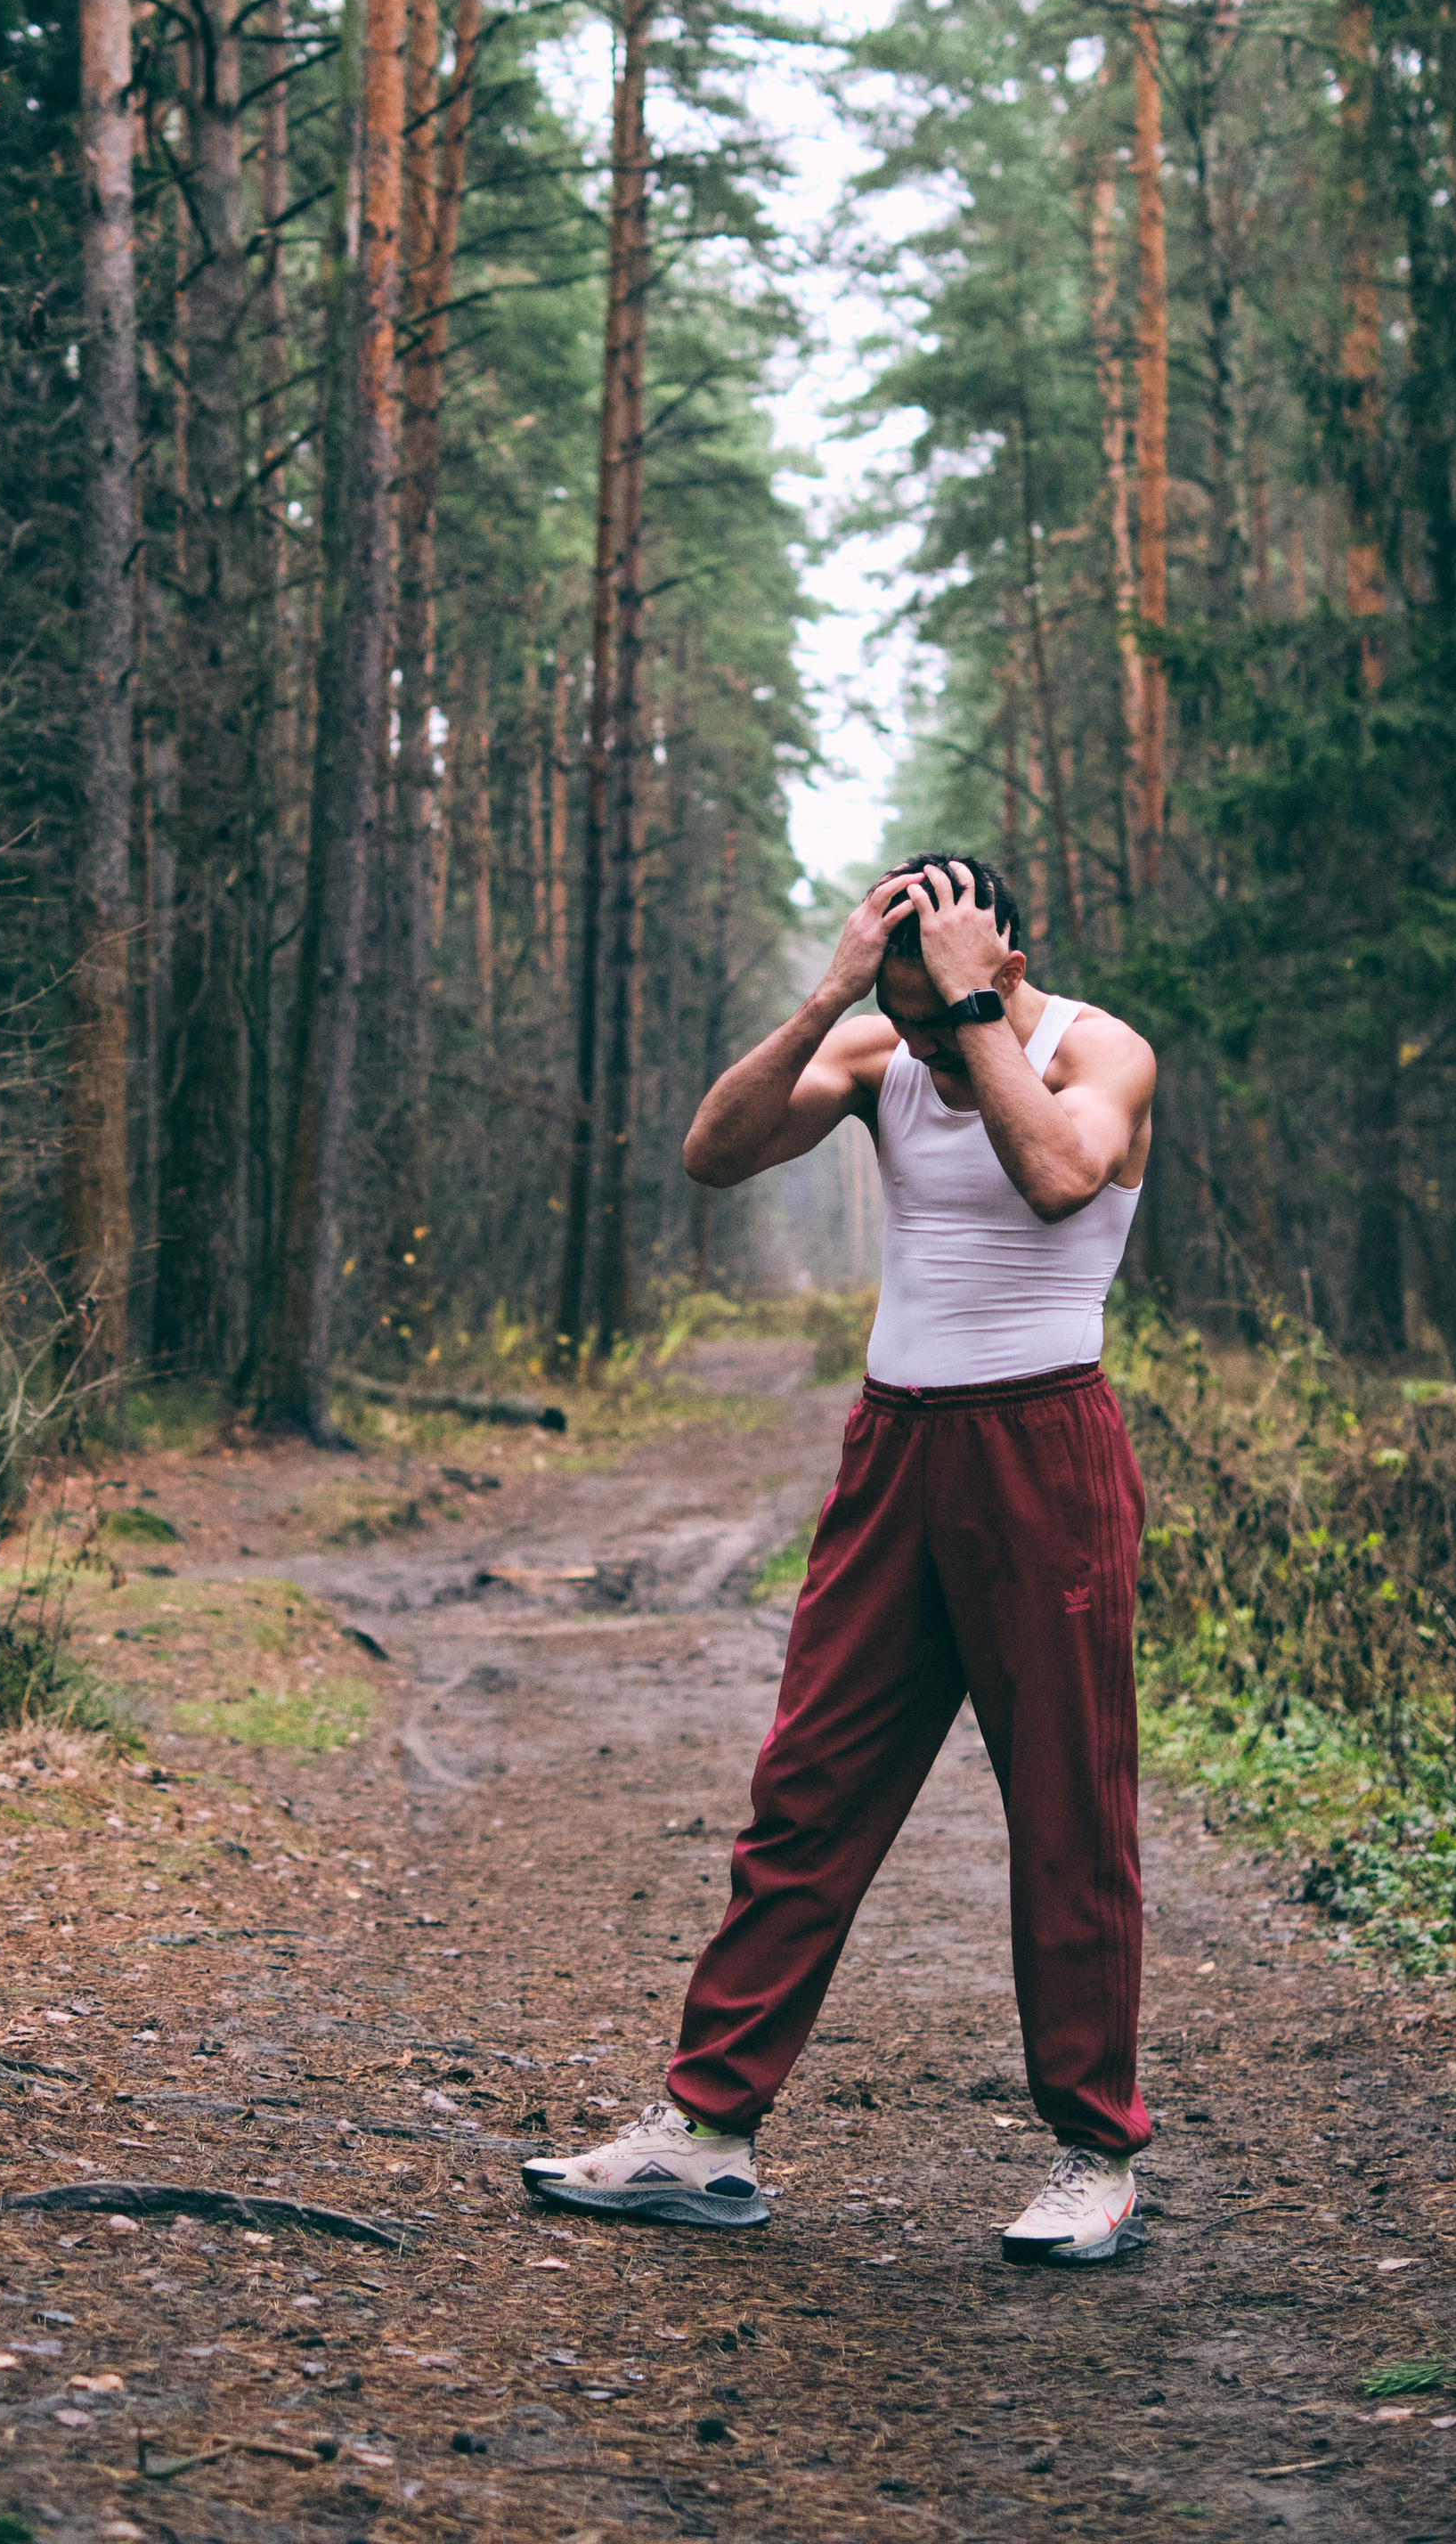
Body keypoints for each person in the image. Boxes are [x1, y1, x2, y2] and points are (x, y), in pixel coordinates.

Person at [522, 855, 1157, 2263]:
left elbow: (1061, 1177)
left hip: (1043, 1451)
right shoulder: (879, 1051)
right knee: (807, 1790)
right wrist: (830, 1000)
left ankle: (1096, 2153)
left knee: (1067, 1807)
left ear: (1001, 963)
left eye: (934, 1014)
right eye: (901, 1014)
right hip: (895, 1454)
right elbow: (714, 1152)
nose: (916, 1044)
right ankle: (706, 2131)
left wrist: (971, 1012)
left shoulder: (1096, 1052)